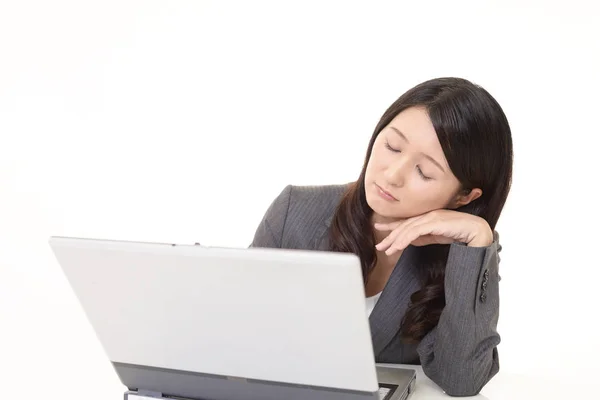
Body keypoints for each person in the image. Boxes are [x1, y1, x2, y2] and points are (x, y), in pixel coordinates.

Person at [250, 77, 513, 397]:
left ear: (463, 197)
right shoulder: (295, 211)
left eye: (424, 172)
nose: (392, 175)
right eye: (392, 146)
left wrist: (477, 237)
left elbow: (461, 379)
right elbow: (240, 331)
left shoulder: (462, 256)